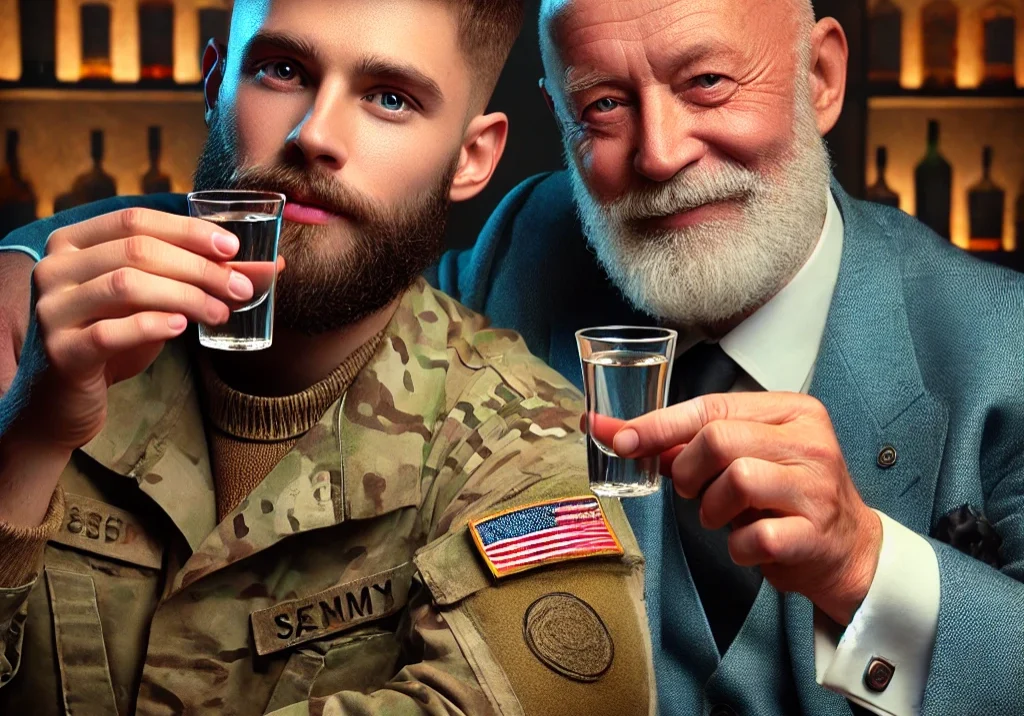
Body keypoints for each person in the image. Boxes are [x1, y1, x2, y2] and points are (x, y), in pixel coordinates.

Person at [0, 1, 658, 714]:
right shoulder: (41, 344)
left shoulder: (527, 444)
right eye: (282, 71)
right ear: (215, 83)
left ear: (471, 159)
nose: (314, 134)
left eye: (389, 99)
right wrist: (29, 440)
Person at [424, 0, 1024, 715]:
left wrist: (865, 564)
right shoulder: (522, 249)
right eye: (605, 104)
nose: (661, 153)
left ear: (821, 77)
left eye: (706, 81)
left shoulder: (1004, 340)